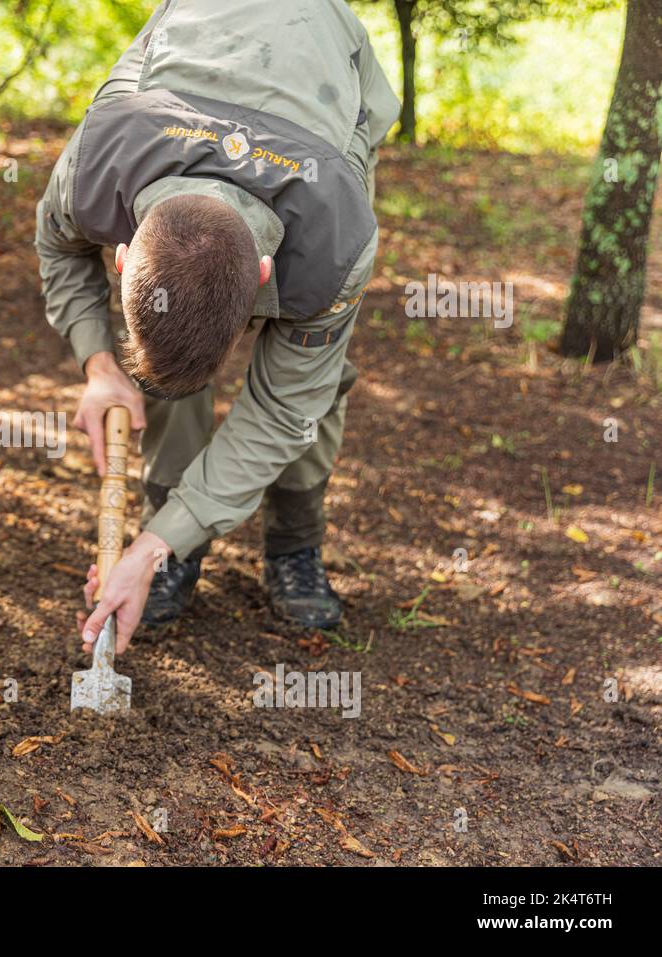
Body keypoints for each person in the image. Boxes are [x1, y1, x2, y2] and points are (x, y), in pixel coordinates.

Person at [34, 0, 399, 654]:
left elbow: (287, 407)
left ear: (267, 280)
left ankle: (295, 542)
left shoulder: (336, 242)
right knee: (171, 369)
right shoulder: (96, 164)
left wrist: (144, 547)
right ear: (121, 257)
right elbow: (55, 246)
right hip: (193, 44)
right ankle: (175, 540)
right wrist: (99, 363)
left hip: (321, 70)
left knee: (314, 385)